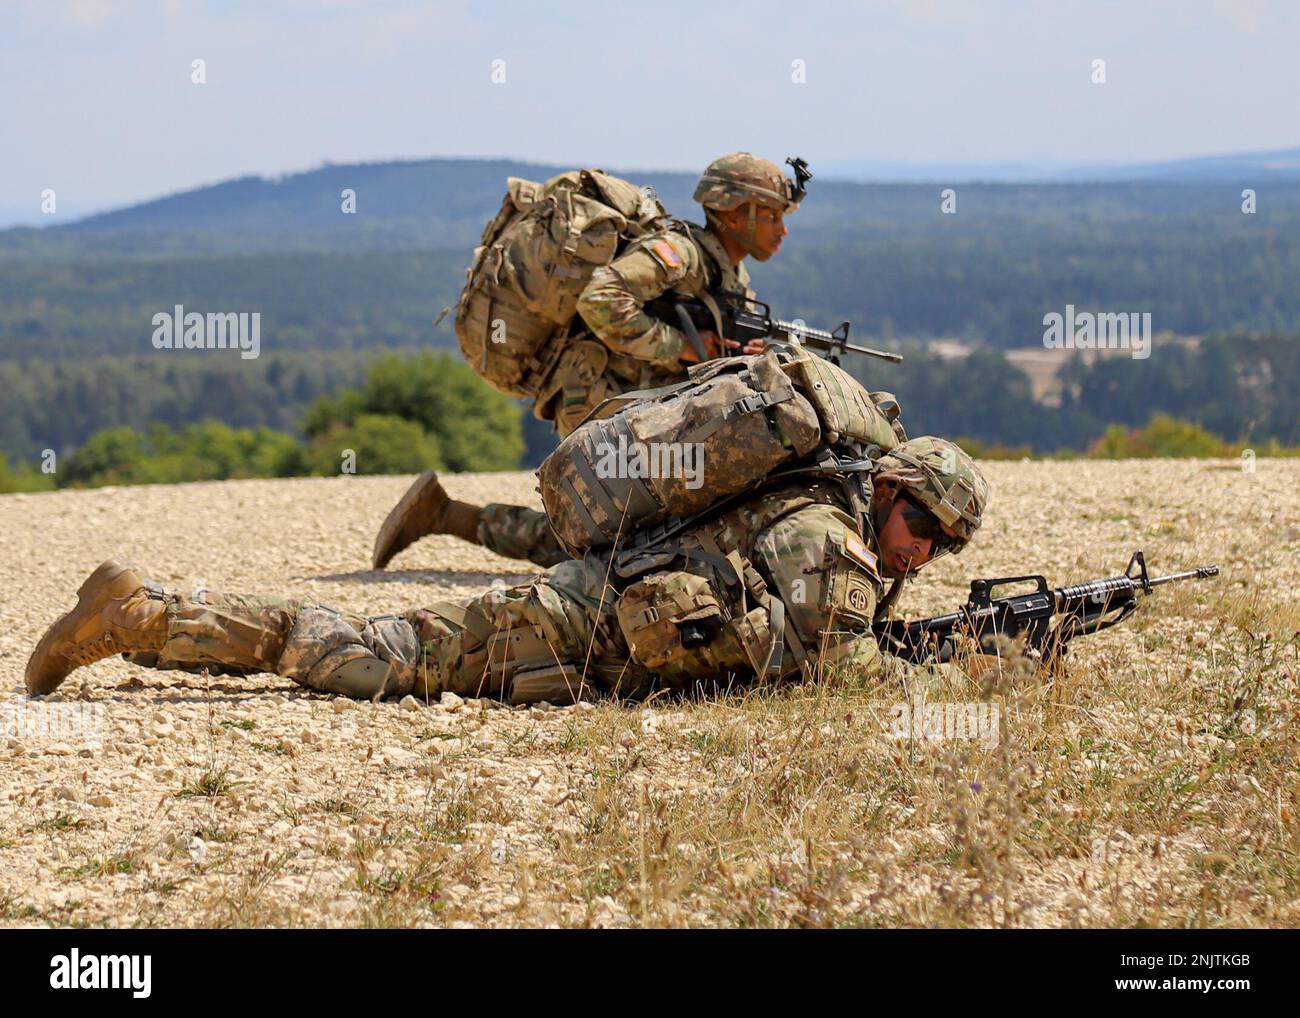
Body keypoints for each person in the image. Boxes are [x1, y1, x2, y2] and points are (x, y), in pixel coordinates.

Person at [26, 438, 990, 705]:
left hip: (584, 634)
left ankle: (155, 628)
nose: (922, 550)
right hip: (568, 629)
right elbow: (840, 671)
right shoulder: (830, 533)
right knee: (361, 655)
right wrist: (969, 663)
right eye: (921, 523)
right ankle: (142, 613)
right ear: (891, 488)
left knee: (374, 656)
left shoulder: (822, 516)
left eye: (942, 546)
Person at [372, 152, 798, 571]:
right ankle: (444, 515)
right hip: (596, 396)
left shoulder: (729, 275)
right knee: (609, 553)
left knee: (644, 541)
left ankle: (444, 513)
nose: (783, 230)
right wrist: (681, 346)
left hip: (636, 406)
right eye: (774, 216)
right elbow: (601, 300)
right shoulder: (678, 253)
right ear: (737, 213)